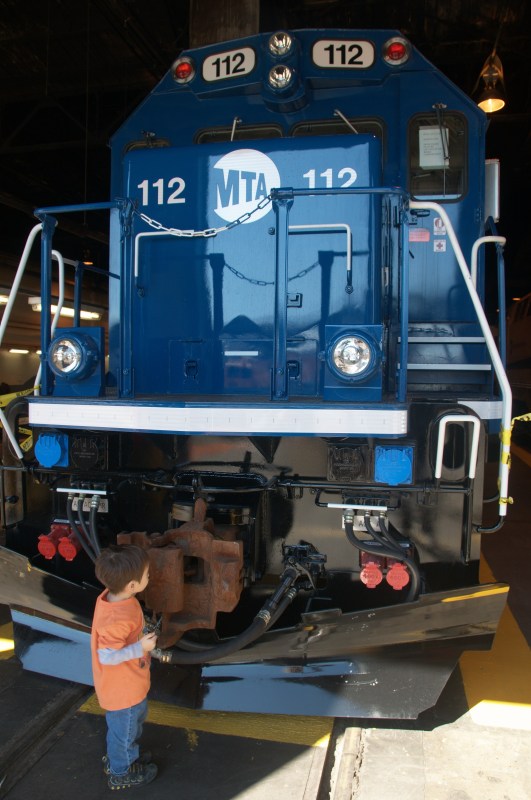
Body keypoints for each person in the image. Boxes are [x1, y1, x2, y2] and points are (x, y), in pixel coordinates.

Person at [91, 544, 158, 790]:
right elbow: (107, 656)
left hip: (130, 684)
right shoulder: (114, 619)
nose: (149, 577)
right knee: (125, 731)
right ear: (131, 585)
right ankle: (120, 771)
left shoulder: (117, 597)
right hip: (123, 691)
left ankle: (124, 756)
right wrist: (140, 648)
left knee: (127, 729)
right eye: (147, 575)